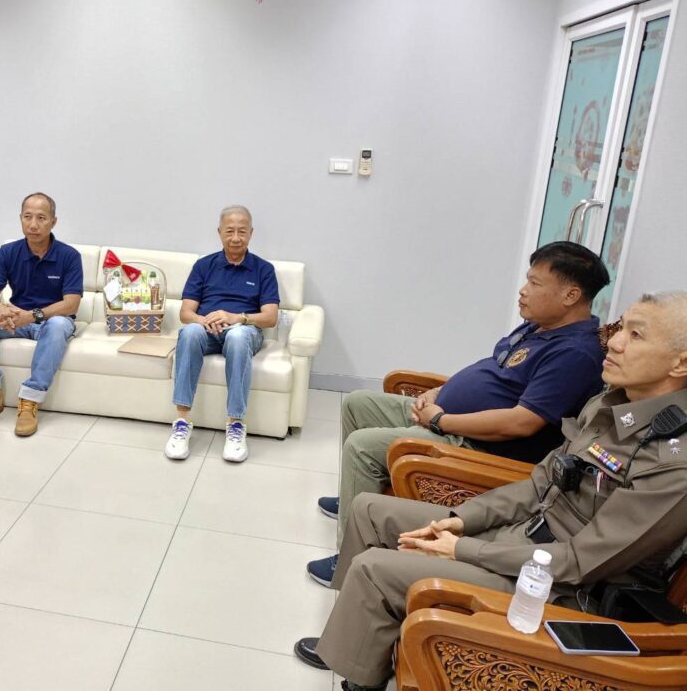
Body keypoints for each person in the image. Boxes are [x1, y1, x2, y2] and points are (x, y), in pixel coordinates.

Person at [293, 291, 687, 691]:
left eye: (636, 335)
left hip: (560, 588)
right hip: (525, 537)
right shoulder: (609, 403)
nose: (614, 342)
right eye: (620, 328)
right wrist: (463, 520)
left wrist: (463, 549)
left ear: (681, 363)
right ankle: (353, 635)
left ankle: (359, 677)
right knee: (369, 510)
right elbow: (538, 484)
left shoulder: (672, 463)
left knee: (374, 569)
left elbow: (581, 561)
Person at [308, 242, 610, 587]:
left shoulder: (575, 354)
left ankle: (347, 558)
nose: (523, 291)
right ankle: (355, 492)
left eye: (535, 283)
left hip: (477, 444)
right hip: (445, 416)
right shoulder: (539, 326)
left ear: (571, 295)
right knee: (358, 403)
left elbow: (521, 422)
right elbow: (491, 372)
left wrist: (440, 420)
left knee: (363, 447)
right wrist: (438, 393)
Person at [164, 205, 280, 463]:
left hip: (243, 330)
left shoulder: (264, 269)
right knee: (189, 332)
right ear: (219, 232)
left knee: (238, 337)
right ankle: (182, 422)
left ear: (251, 233)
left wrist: (238, 318)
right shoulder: (203, 266)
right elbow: (186, 312)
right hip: (207, 329)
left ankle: (235, 425)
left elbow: (271, 317)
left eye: (242, 231)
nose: (236, 237)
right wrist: (204, 320)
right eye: (230, 231)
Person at [0, 192, 83, 436]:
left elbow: (71, 304)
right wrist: (0, 308)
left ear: (53, 221)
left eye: (41, 218)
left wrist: (32, 316)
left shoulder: (69, 256)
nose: (33, 224)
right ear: (20, 218)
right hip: (17, 320)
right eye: (27, 217)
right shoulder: (8, 252)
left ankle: (30, 401)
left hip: (49, 320)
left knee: (59, 325)